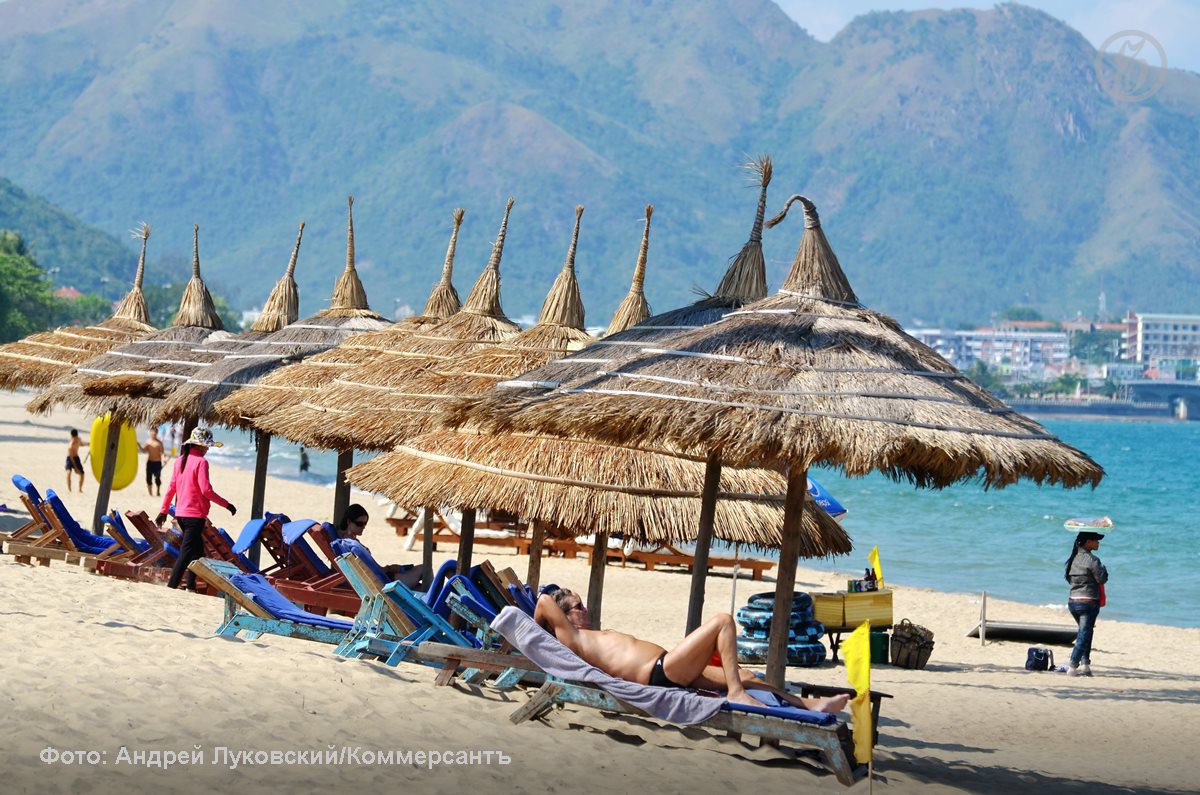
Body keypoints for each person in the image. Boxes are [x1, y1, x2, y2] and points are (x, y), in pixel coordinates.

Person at [535, 586, 849, 712]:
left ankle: (809, 705)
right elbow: (543, 601)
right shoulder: (571, 639)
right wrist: (539, 628)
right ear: (564, 617)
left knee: (743, 673)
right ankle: (737, 694)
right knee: (723, 621)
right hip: (659, 673)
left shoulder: (589, 636)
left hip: (669, 667)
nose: (586, 609)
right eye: (579, 606)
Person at [157, 427, 237, 592]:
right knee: (186, 553)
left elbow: (171, 488)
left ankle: (191, 586)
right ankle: (171, 586)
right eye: (207, 446)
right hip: (195, 517)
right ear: (200, 446)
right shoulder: (201, 462)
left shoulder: (180, 460)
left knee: (198, 553)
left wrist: (164, 511)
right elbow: (206, 490)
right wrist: (227, 504)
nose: (207, 449)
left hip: (180, 514)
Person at [335, 503, 428, 589]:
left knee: (419, 587)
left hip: (383, 577)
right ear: (348, 521)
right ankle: (433, 605)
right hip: (386, 582)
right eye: (359, 523)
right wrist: (390, 568)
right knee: (424, 569)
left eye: (365, 523)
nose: (363, 527)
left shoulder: (347, 541)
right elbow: (370, 570)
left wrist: (390, 568)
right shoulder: (350, 543)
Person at [1065, 531, 1108, 677]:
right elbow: (1102, 579)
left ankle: (1085, 665)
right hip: (1088, 602)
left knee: (1086, 631)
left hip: (1073, 602)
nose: (1098, 543)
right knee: (1084, 633)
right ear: (1088, 542)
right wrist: (1104, 569)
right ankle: (1073, 665)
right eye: (1096, 540)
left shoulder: (1073, 559)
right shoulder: (1092, 560)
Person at [140, 428, 165, 496]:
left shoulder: (159, 443)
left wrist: (163, 459)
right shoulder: (148, 442)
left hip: (157, 462)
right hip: (150, 462)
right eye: (152, 433)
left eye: (155, 433)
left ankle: (158, 491)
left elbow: (162, 452)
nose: (153, 434)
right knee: (148, 478)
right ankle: (150, 493)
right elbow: (143, 450)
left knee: (157, 477)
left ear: (156, 433)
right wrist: (138, 445)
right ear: (151, 433)